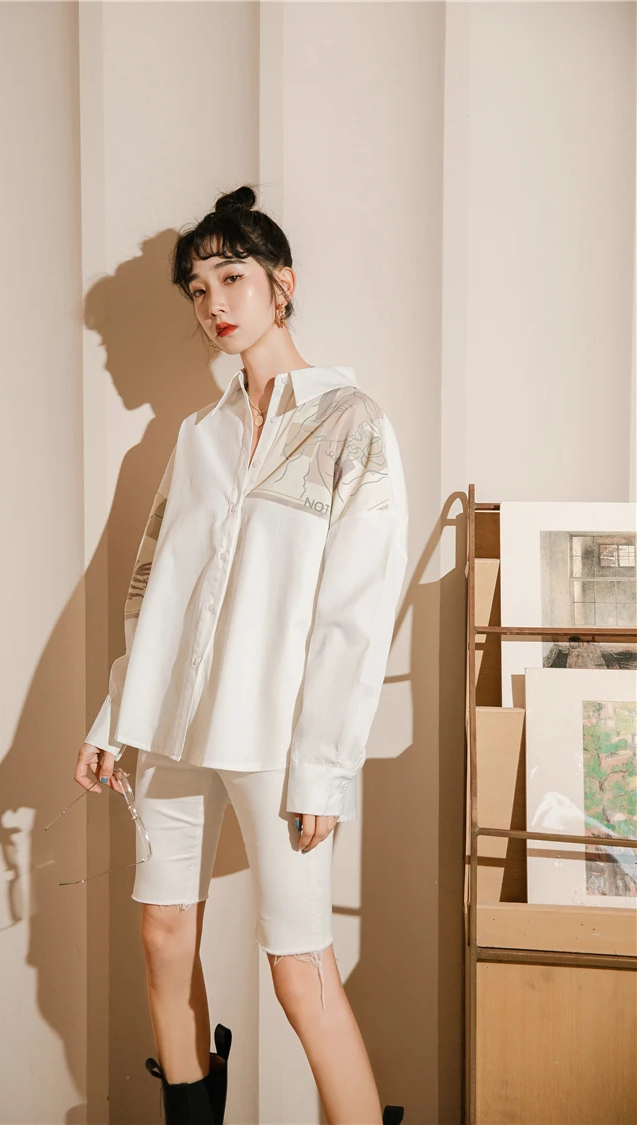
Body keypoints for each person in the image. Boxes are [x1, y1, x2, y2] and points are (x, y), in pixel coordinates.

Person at [74, 184, 409, 1125]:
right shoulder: (201, 436)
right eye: (197, 289)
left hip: (279, 735)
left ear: (282, 283)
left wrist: (324, 767)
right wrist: (114, 715)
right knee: (162, 932)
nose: (213, 303)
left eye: (231, 278)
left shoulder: (351, 422)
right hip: (175, 724)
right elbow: (157, 590)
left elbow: (355, 612)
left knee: (299, 972)